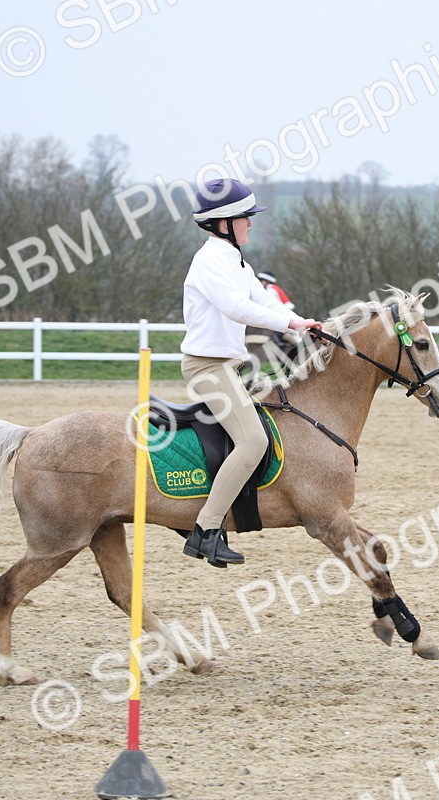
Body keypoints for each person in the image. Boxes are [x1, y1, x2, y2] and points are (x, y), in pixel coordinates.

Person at [179, 178, 322, 567]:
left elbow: (261, 300)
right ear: (223, 222)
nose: (251, 224)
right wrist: (291, 327)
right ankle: (206, 530)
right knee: (253, 441)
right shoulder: (210, 260)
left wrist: (302, 322)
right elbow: (237, 308)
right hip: (207, 367)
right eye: (246, 217)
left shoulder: (235, 259)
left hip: (227, 365)